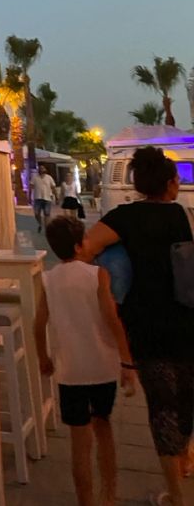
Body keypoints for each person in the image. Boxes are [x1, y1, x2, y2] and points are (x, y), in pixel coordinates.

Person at [83, 145, 194, 506]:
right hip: (186, 321)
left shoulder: (124, 218)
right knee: (185, 397)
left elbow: (85, 248)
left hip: (146, 325)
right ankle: (184, 460)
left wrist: (115, 264)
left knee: (162, 406)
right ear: (170, 183)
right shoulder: (179, 215)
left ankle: (175, 495)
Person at [35, 216, 135, 506]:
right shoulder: (98, 275)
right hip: (101, 366)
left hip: (70, 371)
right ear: (79, 246)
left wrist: (43, 358)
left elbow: (38, 325)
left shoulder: (49, 279)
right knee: (103, 428)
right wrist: (127, 361)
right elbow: (112, 319)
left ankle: (85, 501)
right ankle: (109, 495)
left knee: (79, 443)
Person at [32, 165, 56, 232]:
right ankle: (40, 224)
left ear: (45, 169)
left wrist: (56, 196)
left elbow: (53, 187)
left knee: (47, 214)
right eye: (40, 168)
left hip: (47, 198)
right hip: (37, 198)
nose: (41, 169)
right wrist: (28, 197)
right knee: (36, 214)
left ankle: (47, 229)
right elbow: (31, 187)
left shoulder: (49, 178)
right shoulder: (35, 178)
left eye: (43, 168)